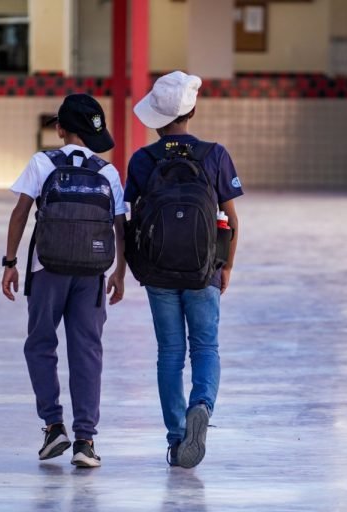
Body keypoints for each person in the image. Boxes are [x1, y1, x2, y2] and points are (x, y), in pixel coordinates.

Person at [1, 93, 127, 468]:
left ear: (59, 129)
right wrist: (119, 271)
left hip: (46, 270)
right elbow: (120, 225)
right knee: (87, 350)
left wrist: (9, 262)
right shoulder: (107, 172)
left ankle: (54, 426)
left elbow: (20, 213)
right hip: (92, 273)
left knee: (40, 344)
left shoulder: (42, 162)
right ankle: (85, 440)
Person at [125, 71, 244, 468]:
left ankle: (177, 440)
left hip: (157, 272)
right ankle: (202, 407)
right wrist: (224, 266)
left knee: (170, 354)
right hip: (203, 268)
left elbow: (127, 220)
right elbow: (231, 217)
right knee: (205, 347)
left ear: (156, 118)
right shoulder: (215, 155)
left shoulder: (143, 160)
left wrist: (127, 269)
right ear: (192, 110)